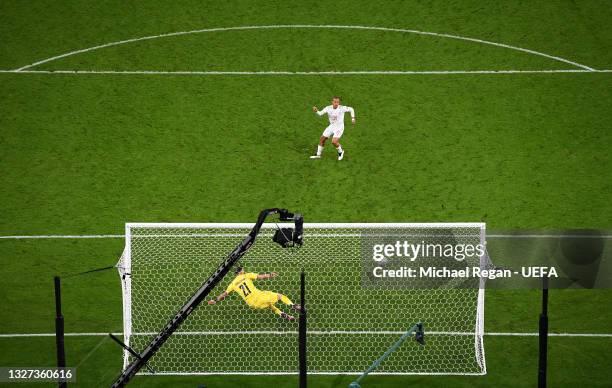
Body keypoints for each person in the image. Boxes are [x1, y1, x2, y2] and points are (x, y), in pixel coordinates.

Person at [208, 266, 302, 321]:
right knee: (279, 296)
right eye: (243, 270)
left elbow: (224, 294)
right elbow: (260, 277)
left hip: (252, 304)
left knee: (269, 305)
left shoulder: (232, 284)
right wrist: (270, 275)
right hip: (258, 296)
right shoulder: (246, 275)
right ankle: (293, 306)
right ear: (240, 272)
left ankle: (285, 316)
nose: (244, 271)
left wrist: (215, 300)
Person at [311, 96, 356, 160]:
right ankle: (318, 155)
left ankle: (341, 152)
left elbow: (351, 109)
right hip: (332, 126)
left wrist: (353, 118)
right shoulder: (328, 108)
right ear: (332, 102)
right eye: (335, 102)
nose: (336, 103)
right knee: (322, 139)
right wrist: (316, 111)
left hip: (339, 127)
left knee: (334, 142)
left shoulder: (342, 108)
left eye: (337, 102)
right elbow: (320, 114)